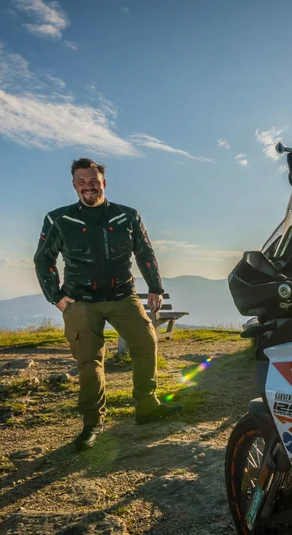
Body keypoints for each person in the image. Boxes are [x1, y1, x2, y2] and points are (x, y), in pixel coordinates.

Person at [34, 158, 182, 451]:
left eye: (93, 181)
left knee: (146, 345)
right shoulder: (58, 219)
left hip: (123, 296)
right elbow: (43, 258)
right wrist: (58, 298)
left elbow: (145, 252)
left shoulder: (127, 215)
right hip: (81, 302)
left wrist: (155, 288)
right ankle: (92, 423)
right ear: (74, 184)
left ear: (104, 183)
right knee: (89, 364)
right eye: (82, 181)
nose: (88, 187)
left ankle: (147, 407)